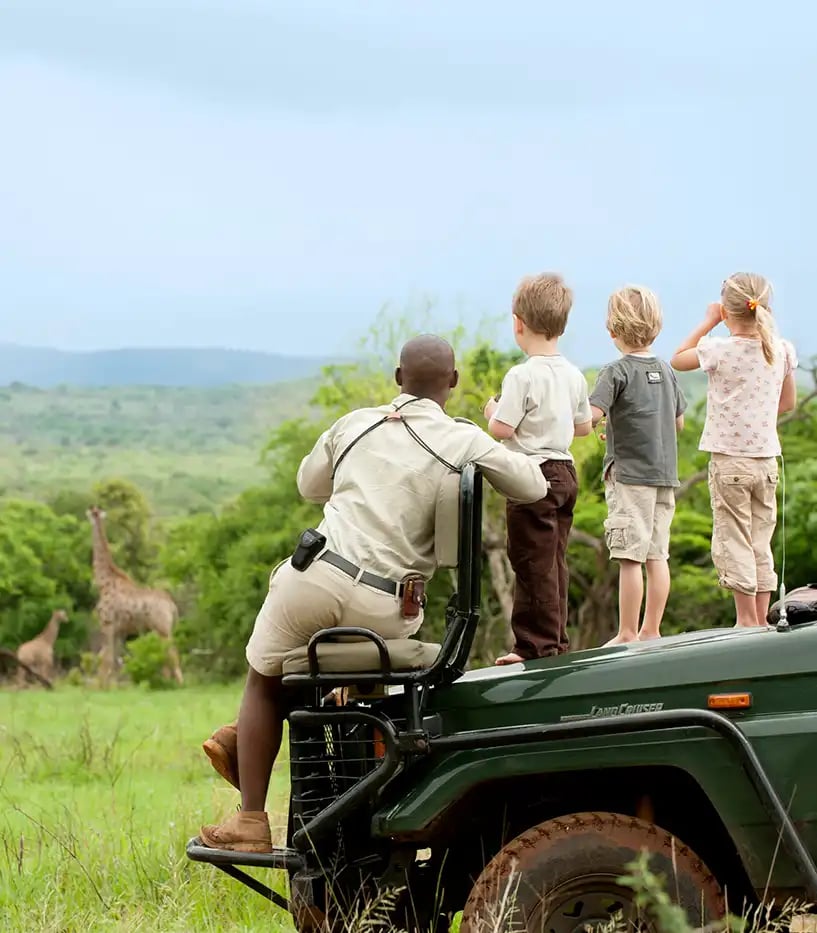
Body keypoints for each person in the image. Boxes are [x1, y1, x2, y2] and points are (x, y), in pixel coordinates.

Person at [198, 335, 549, 853]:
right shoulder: (461, 438)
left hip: (316, 576)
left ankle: (251, 817)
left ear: (396, 378)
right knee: (315, 664)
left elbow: (309, 486)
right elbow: (534, 487)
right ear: (452, 384)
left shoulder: (356, 423)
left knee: (264, 676)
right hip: (391, 606)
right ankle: (265, 745)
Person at [670, 273, 798, 628]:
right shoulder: (783, 349)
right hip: (767, 460)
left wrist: (710, 321)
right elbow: (787, 402)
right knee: (760, 539)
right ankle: (760, 619)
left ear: (727, 311)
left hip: (729, 461)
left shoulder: (718, 348)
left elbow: (677, 359)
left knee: (734, 536)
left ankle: (745, 621)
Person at [483, 273, 592, 664]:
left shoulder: (522, 375)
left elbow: (502, 429)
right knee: (554, 559)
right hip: (565, 472)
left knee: (531, 561)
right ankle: (556, 640)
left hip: (532, 475)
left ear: (518, 323)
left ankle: (534, 647)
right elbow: (583, 427)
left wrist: (491, 409)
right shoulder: (573, 374)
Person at [589, 286, 687, 645]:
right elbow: (677, 423)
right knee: (657, 555)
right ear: (656, 327)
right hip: (664, 476)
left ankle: (627, 632)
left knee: (629, 556)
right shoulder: (666, 369)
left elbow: (592, 414)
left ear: (611, 330)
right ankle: (652, 630)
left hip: (630, 477)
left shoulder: (615, 371)